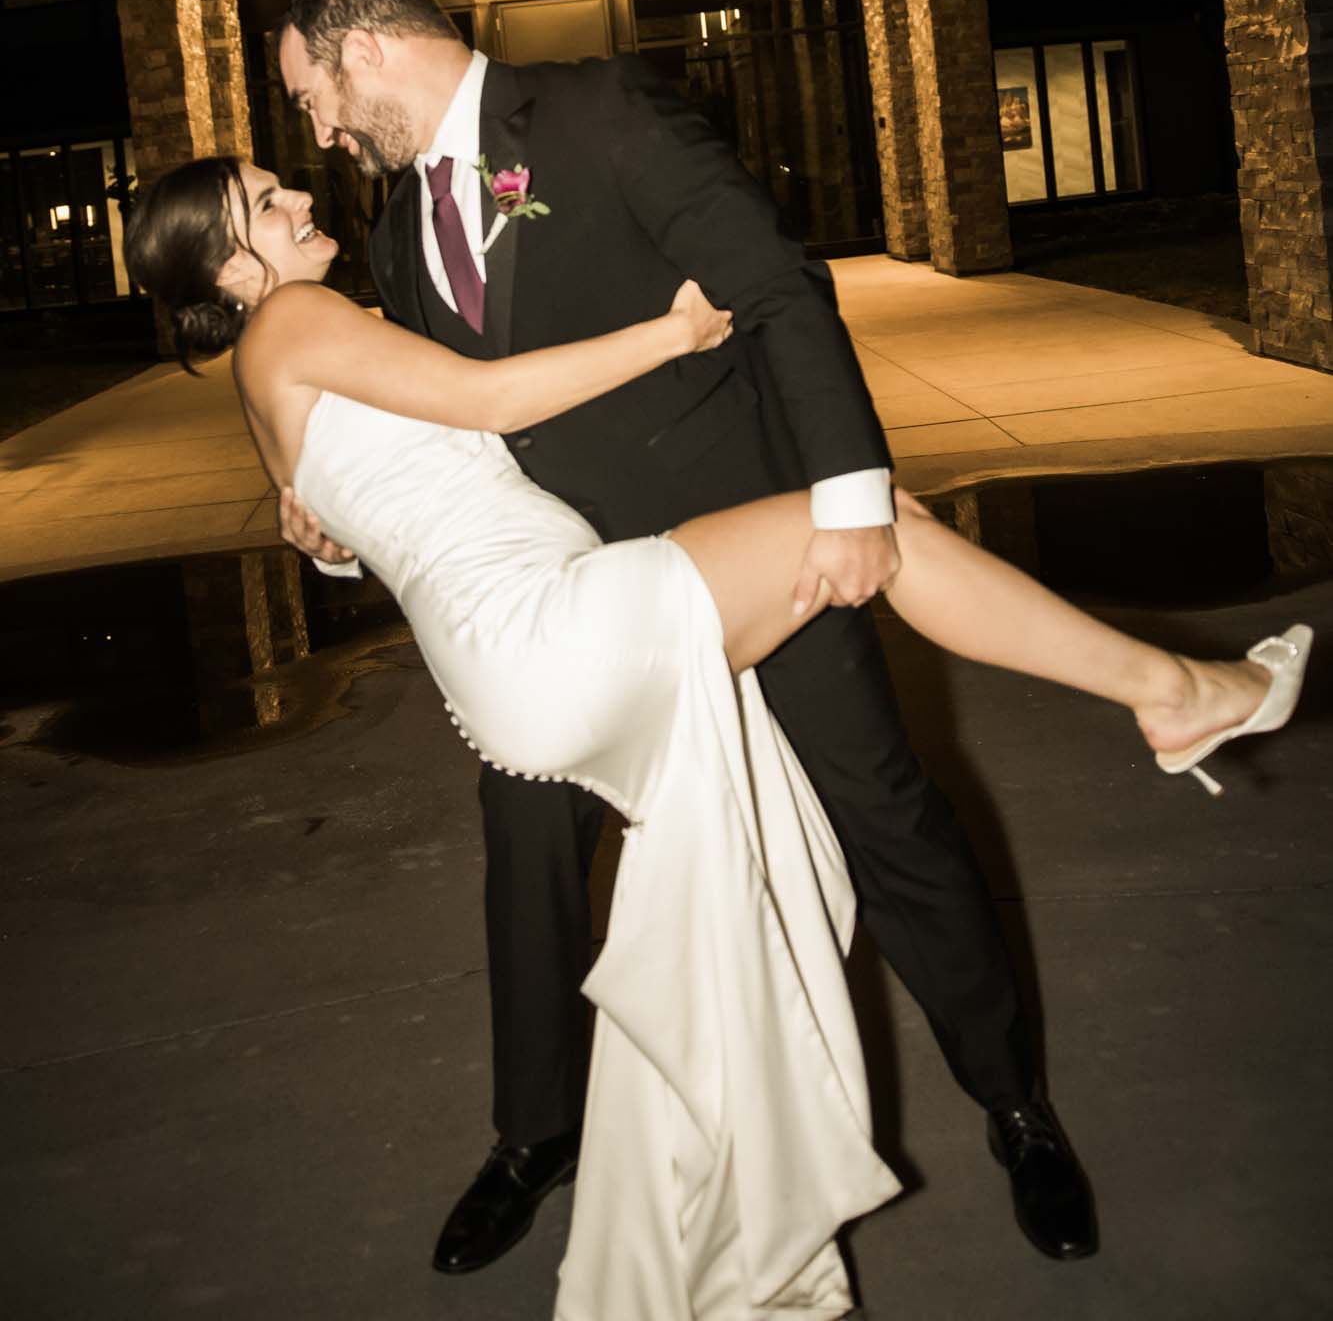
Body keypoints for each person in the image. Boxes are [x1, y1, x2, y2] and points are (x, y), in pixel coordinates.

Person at [123, 149, 1309, 1318]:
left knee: (867, 560)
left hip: (524, 665)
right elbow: (487, 401)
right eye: (265, 201)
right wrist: (676, 329)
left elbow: (343, 508)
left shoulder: (277, 365)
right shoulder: (299, 317)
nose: (300, 191)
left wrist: (320, 533)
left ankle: (1007, 1071)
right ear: (228, 265)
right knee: (865, 521)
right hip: (554, 630)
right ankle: (1170, 693)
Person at [273, 0, 1103, 1272]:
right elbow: (432, 449)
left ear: (363, 50)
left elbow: (777, 290)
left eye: (311, 93)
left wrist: (845, 502)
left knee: (881, 809)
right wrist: (327, 532)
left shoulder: (600, 112)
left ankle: (1016, 1105)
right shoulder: (388, 239)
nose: (314, 127)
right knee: (527, 851)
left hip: (747, 558)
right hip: (569, 613)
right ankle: (533, 1133)